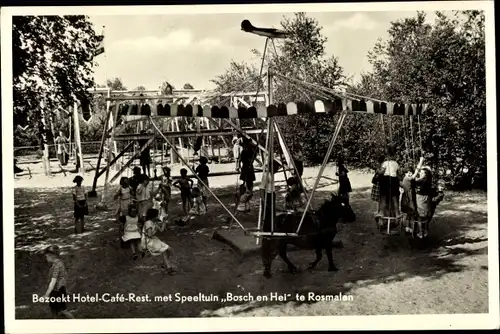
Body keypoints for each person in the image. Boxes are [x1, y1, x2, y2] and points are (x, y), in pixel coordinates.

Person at [42, 245, 74, 318]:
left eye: (46, 256)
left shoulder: (56, 267)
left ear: (51, 256)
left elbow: (53, 282)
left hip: (57, 292)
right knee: (55, 309)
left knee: (62, 311)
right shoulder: (60, 263)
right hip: (61, 290)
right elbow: (64, 276)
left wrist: (46, 294)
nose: (46, 258)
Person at [140, 209, 175, 273]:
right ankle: (168, 267)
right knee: (164, 250)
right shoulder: (148, 223)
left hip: (153, 239)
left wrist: (164, 221)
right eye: (157, 215)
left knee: (168, 249)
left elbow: (161, 230)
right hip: (148, 241)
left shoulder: (153, 222)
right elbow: (150, 235)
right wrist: (155, 228)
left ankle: (165, 264)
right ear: (154, 216)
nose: (158, 216)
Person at [378, 143, 401, 219]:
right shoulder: (396, 163)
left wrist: (378, 170)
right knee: (394, 198)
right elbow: (398, 173)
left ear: (387, 155)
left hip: (386, 180)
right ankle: (397, 213)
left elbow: (381, 172)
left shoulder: (385, 163)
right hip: (394, 180)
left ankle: (381, 212)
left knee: (384, 197)